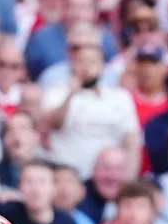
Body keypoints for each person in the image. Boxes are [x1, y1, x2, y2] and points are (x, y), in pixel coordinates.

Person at [42, 39, 140, 179]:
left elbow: (131, 142)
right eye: (81, 61)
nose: (86, 67)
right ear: (72, 64)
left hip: (109, 179)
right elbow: (53, 124)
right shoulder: (57, 93)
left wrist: (129, 181)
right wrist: (70, 95)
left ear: (102, 67)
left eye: (92, 62)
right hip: (69, 178)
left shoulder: (120, 97)